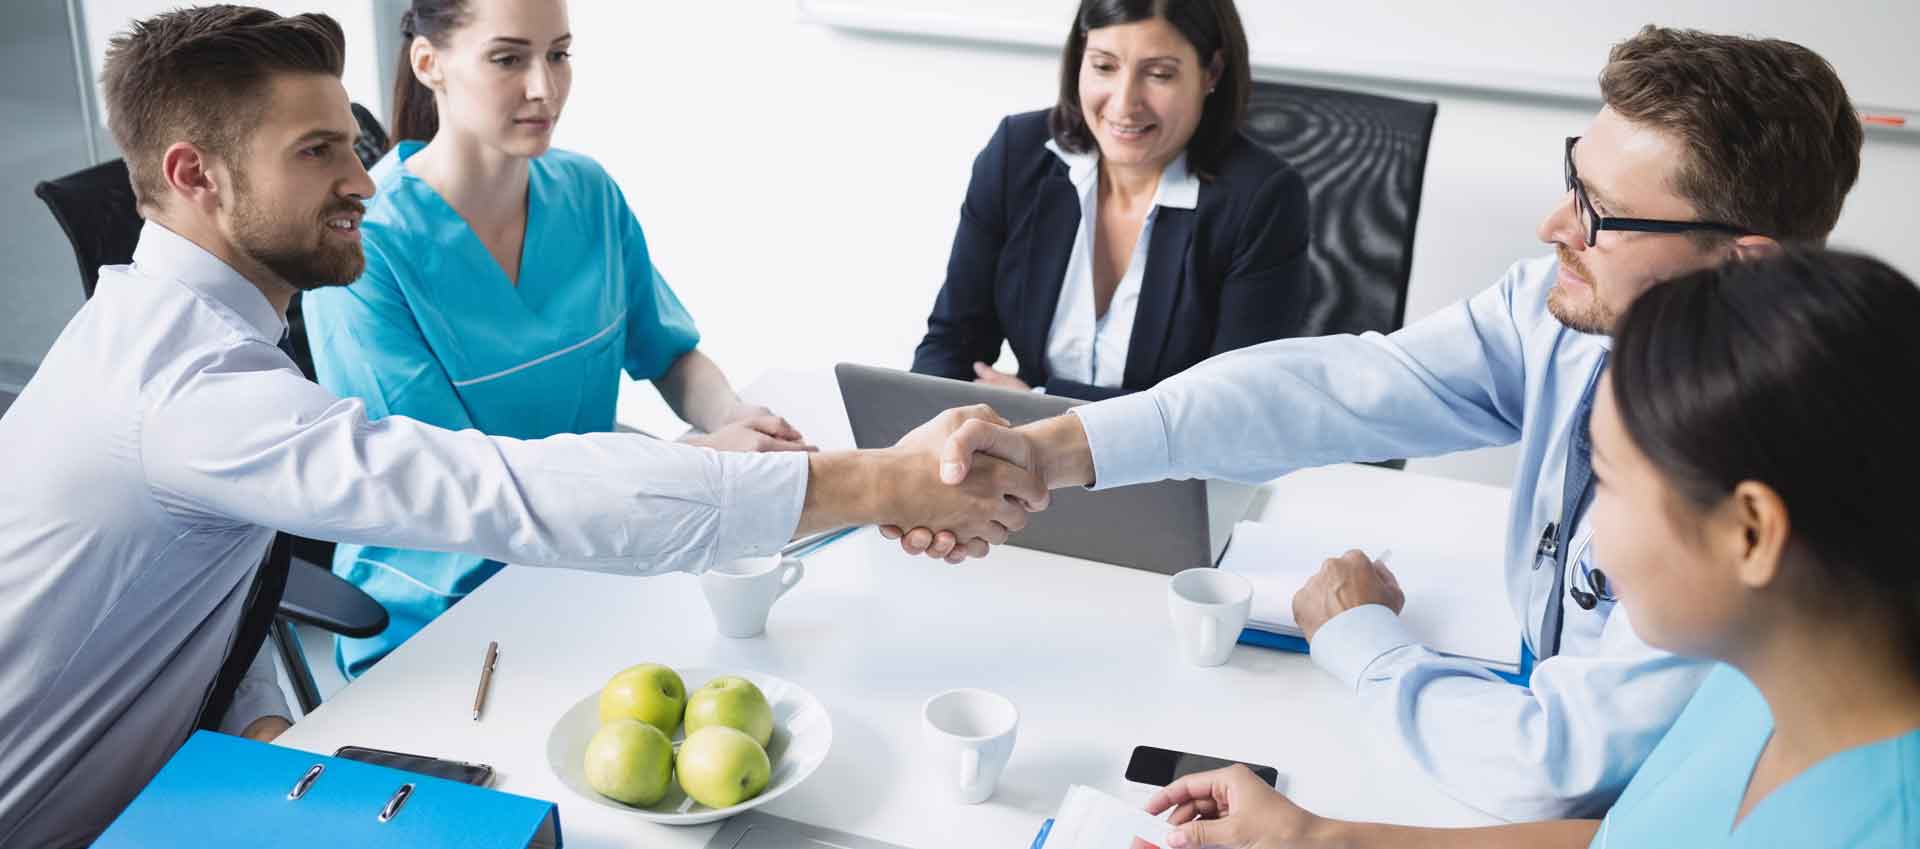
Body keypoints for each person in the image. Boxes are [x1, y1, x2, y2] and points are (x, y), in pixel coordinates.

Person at [0, 8, 1039, 846]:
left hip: (172, 769)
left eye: (348, 145)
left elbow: (198, 601)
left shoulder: (180, 335)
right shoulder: (184, 389)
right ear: (195, 177)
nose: (363, 177)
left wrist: (265, 733)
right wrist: (883, 483)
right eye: (317, 152)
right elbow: (490, 489)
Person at [902, 26, 1865, 818]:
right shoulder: (1562, 311)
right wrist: (1060, 445)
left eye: (1602, 213)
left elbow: (1558, 771)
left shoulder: (1750, 493)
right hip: (1498, 722)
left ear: (1743, 263)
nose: (1553, 227)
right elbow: (1342, 383)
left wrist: (1361, 636)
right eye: (1574, 176)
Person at [1135, 248, 1920, 849]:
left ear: (1749, 533)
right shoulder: (1765, 674)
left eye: (1607, 484)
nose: (1590, 534)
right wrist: (1320, 837)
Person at [301, 0, 811, 677]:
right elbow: (460, 486)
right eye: (509, 58)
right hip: (442, 618)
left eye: (559, 54)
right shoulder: (365, 251)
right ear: (430, 64)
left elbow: (668, 352)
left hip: (594, 572)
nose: (545, 88)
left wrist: (731, 414)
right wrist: (700, 464)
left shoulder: (588, 193)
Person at [909, 0, 1310, 402]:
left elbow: (1232, 409)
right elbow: (950, 346)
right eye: (1104, 66)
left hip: (1168, 467)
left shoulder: (1263, 200)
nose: (1124, 104)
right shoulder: (1018, 156)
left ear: (1213, 72)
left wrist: (1040, 400)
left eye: (1159, 74)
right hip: (1019, 454)